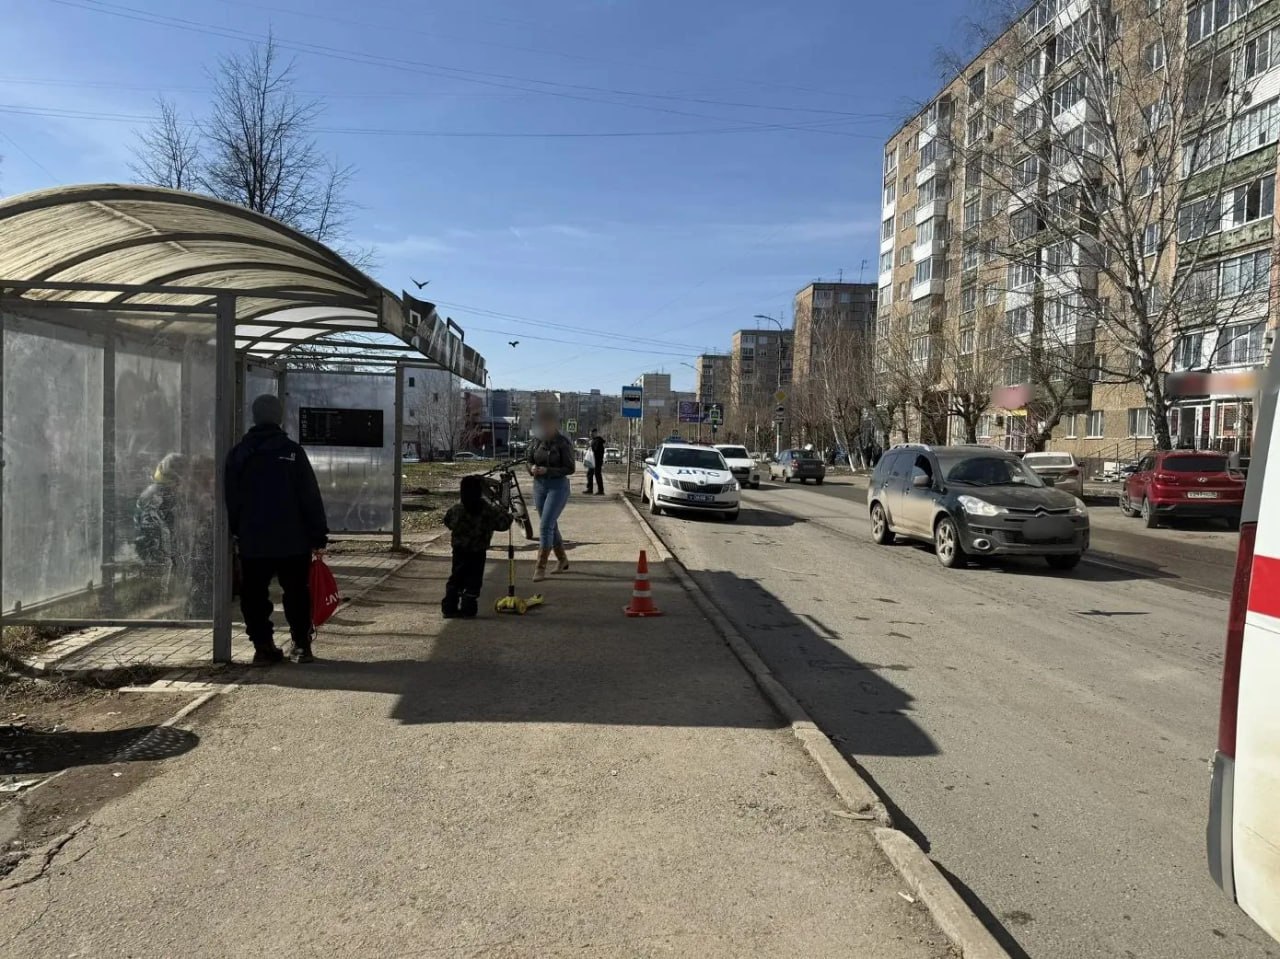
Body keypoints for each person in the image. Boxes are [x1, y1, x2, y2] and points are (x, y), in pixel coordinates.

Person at [225, 394, 329, 665]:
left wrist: (237, 531)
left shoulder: (239, 454)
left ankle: (263, 646)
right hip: (292, 540)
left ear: (254, 417)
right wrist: (318, 535)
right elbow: (309, 496)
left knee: (254, 595)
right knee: (296, 591)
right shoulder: (293, 452)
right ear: (279, 417)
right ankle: (301, 645)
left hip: (253, 540)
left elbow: (231, 498)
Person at [440, 474, 512, 618]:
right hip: (478, 550)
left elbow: (448, 522)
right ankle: (468, 607)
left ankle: (450, 606)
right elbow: (502, 524)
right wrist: (509, 515)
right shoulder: (487, 510)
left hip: (459, 549)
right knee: (474, 578)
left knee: (456, 576)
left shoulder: (457, 509)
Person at [527, 408, 576, 581]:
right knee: (550, 524)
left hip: (558, 486)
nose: (544, 427)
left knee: (545, 525)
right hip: (539, 486)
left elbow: (570, 468)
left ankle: (540, 567)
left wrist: (548, 470)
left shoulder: (563, 442)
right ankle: (562, 559)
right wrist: (531, 468)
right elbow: (529, 460)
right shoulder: (536, 441)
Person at [134, 453, 187, 586]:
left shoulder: (162, 493)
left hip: (158, 556)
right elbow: (155, 535)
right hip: (154, 559)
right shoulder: (159, 496)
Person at [586, 428, 606, 495]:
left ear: (595, 433)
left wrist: (591, 447)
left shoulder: (598, 441)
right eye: (590, 434)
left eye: (591, 434)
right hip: (593, 460)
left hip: (597, 461)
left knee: (597, 475)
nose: (590, 435)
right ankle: (590, 489)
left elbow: (596, 450)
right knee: (589, 474)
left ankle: (601, 490)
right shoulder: (594, 441)